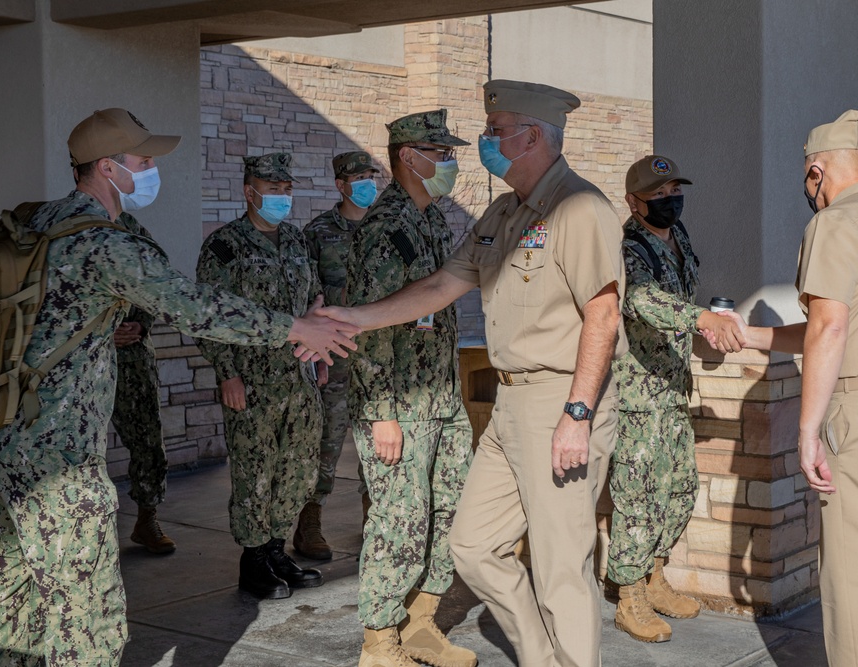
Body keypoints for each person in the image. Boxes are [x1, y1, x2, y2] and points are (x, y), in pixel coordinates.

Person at [316, 80, 723, 667]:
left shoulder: (579, 207)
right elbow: (438, 286)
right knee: (473, 545)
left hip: (560, 401)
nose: (484, 141)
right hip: (510, 407)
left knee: (560, 567)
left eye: (494, 130)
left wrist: (577, 414)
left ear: (532, 136)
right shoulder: (503, 210)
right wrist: (350, 317)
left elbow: (603, 313)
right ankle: (540, 656)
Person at [0, 108, 357, 666]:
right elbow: (195, 307)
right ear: (108, 168)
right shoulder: (105, 244)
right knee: (88, 623)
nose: (154, 170)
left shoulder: (37, 223)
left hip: (3, 447)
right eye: (144, 161)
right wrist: (299, 327)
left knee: (14, 608)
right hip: (59, 466)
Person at [713, 109, 858, 667]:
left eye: (806, 178)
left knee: (857, 594)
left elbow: (829, 326)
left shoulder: (835, 223)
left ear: (816, 171)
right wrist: (751, 337)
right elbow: (828, 322)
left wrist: (808, 428)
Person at [344, 110, 476, 667]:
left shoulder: (432, 220)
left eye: (449, 152)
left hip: (440, 397)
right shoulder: (383, 227)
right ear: (407, 157)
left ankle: (421, 622)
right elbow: (367, 324)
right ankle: (380, 642)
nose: (448, 162)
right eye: (437, 152)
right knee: (400, 519)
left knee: (450, 512)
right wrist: (381, 414)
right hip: (397, 403)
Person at [601, 155, 738, 643]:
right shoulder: (626, 247)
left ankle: (656, 577)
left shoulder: (678, 238)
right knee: (637, 498)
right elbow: (640, 300)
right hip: (638, 393)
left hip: (674, 387)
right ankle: (629, 595)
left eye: (675, 189)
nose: (669, 200)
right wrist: (701, 318)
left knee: (677, 490)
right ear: (634, 201)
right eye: (658, 194)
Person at [195, 152, 330, 601]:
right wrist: (226, 374)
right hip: (251, 382)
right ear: (249, 191)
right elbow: (208, 315)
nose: (281, 197)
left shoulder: (295, 240)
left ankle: (275, 550)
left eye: (287, 189)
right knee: (255, 469)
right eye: (273, 189)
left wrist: (321, 353)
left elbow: (314, 300)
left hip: (299, 377)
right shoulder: (225, 246)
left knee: (296, 469)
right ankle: (252, 560)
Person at [298, 150, 381, 561]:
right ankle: (309, 520)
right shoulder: (317, 233)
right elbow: (307, 298)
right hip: (335, 354)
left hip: (380, 354)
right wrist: (314, 358)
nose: (368, 182)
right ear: (341, 184)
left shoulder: (386, 228)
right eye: (360, 176)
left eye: (372, 174)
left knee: (379, 439)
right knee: (327, 441)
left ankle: (375, 520)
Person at [110, 218, 176, 555]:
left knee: (148, 439)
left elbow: (157, 285)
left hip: (134, 355)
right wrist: (104, 333)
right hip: (82, 360)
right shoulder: (71, 226)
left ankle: (147, 519)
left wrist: (140, 325)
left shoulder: (136, 230)